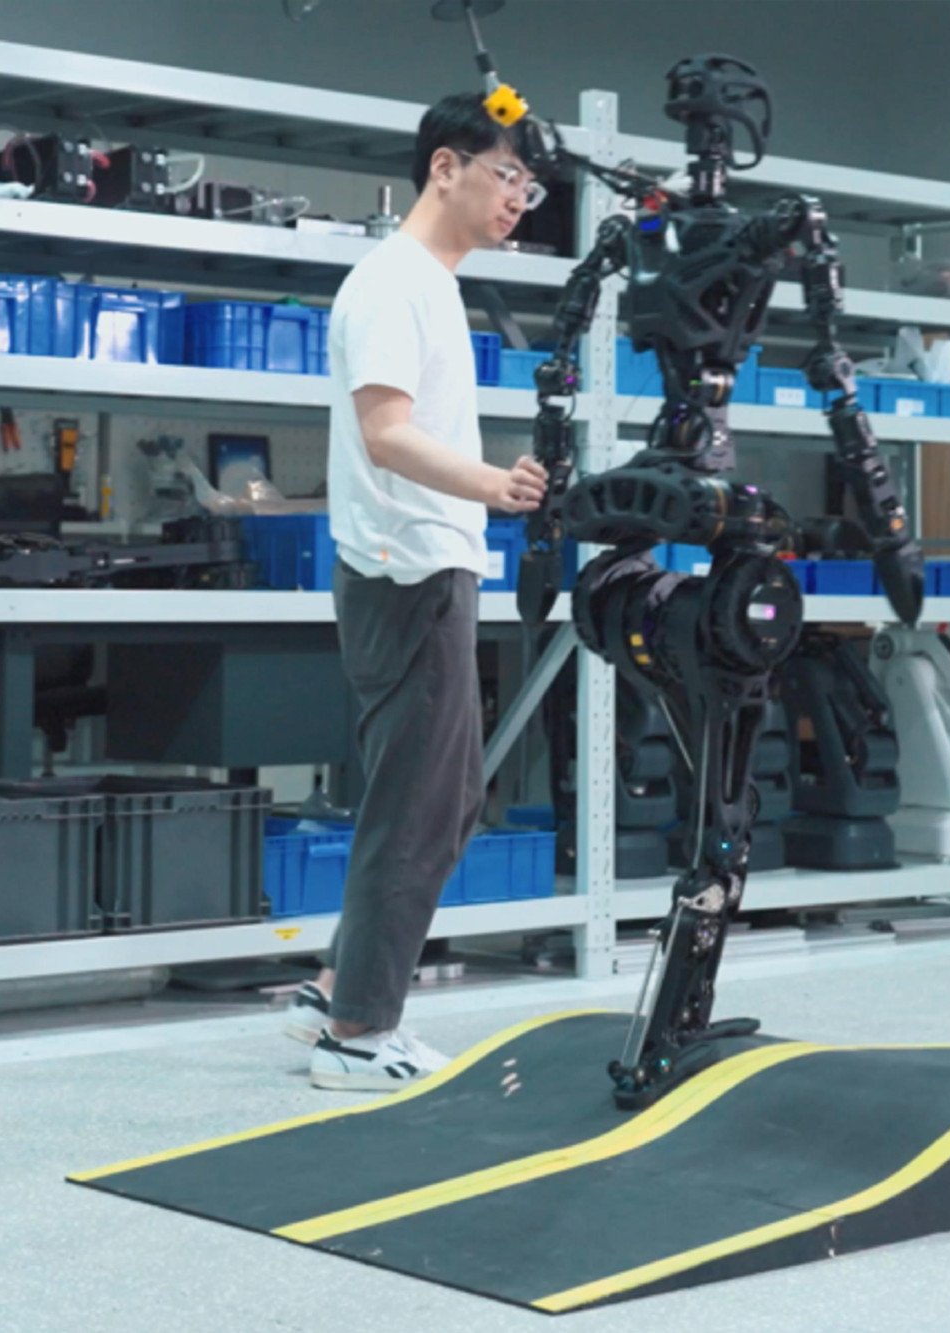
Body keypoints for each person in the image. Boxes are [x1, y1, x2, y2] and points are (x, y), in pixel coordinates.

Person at [281, 93, 550, 1091]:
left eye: (530, 184)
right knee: (420, 809)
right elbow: (385, 432)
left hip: (427, 564)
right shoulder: (394, 282)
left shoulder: (430, 282)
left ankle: (331, 984)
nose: (521, 199)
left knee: (442, 802)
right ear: (447, 166)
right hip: (409, 570)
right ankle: (358, 1032)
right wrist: (497, 486)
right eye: (507, 176)